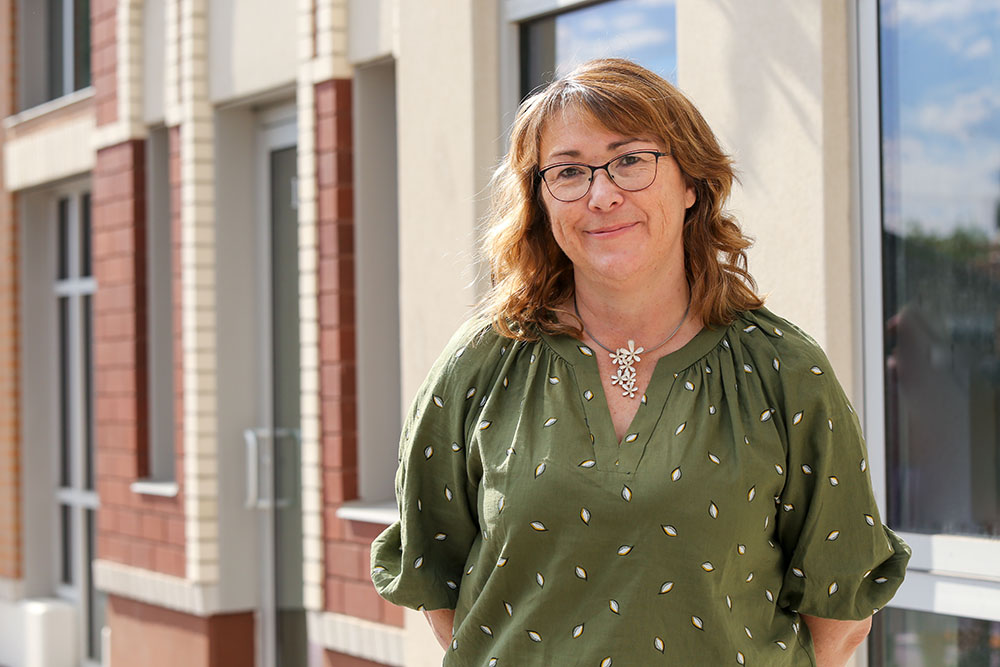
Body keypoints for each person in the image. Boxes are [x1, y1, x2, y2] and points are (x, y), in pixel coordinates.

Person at [371, 58, 910, 666]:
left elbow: (839, 611)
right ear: (541, 201)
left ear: (690, 183)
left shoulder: (783, 371)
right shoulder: (482, 365)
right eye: (569, 172)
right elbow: (437, 581)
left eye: (630, 160)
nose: (602, 195)